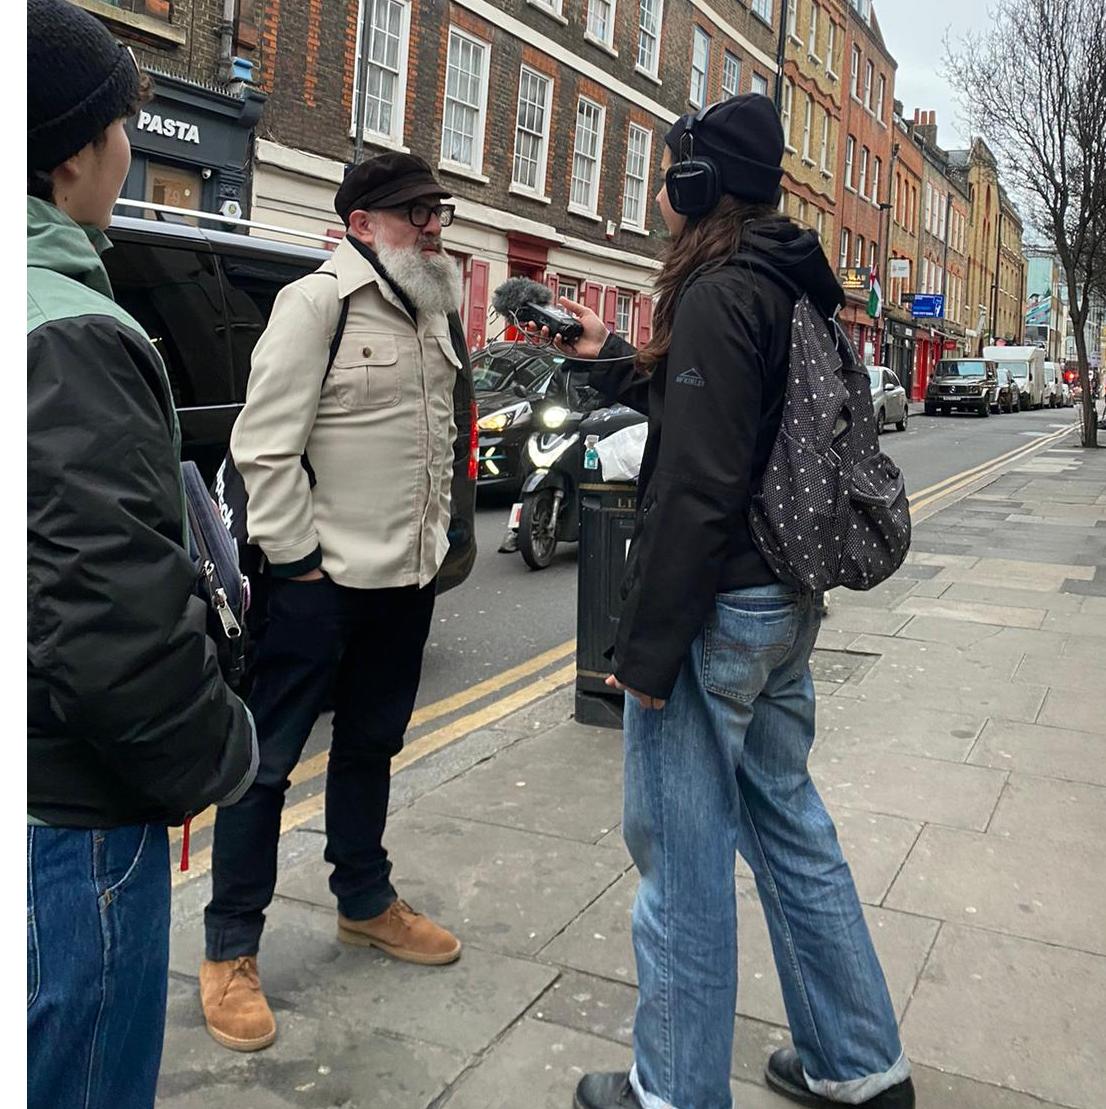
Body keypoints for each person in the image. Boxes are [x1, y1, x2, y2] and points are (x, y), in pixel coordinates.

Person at [553, 96, 916, 1109]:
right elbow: (725, 418)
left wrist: (646, 650)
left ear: (695, 186)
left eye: (674, 176)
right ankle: (858, 1062)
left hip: (718, 612)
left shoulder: (719, 290)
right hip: (782, 607)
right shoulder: (791, 283)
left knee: (679, 859)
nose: (664, 196)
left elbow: (701, 483)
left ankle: (669, 1089)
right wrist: (610, 361)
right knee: (790, 826)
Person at [26, 3, 259, 1107]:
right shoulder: (71, 328)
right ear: (73, 152)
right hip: (70, 817)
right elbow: (109, 614)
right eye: (120, 127)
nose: (130, 149)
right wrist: (214, 750)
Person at [200, 152, 466, 1052]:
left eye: (437, 209)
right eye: (414, 211)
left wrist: (438, 550)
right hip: (317, 585)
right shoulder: (317, 303)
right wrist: (301, 565)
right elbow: (263, 448)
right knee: (265, 767)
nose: (433, 224)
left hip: (405, 581)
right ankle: (230, 949)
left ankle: (364, 900)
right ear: (362, 223)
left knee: (371, 745)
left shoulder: (434, 308)